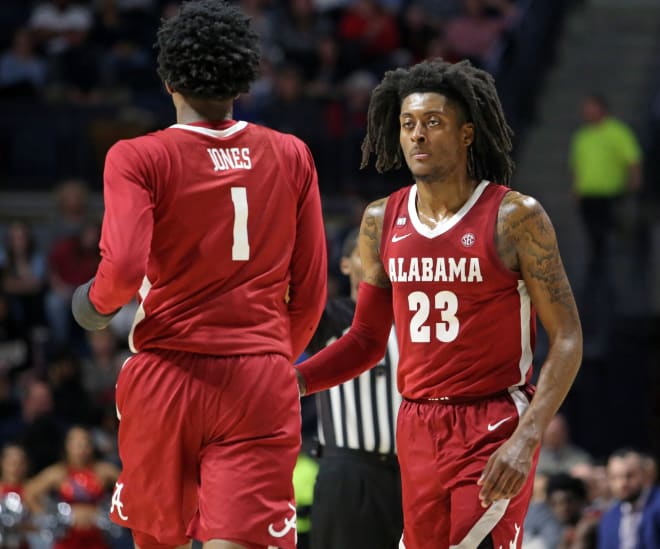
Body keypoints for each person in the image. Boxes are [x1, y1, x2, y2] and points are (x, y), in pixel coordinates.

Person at [296, 58, 583, 549]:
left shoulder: (515, 217)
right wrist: (292, 381)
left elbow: (568, 337)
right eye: (408, 125)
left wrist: (528, 437)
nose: (417, 136)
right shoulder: (380, 219)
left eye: (433, 122)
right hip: (415, 423)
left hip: (492, 420)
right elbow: (365, 340)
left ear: (467, 133)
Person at [70, 1, 327, 548]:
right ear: (245, 75)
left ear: (166, 78)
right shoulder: (291, 154)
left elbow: (121, 270)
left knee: (159, 541)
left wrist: (90, 306)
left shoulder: (137, 157)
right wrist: (272, 354)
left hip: (169, 375)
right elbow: (310, 290)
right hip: (257, 375)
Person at [306, 228, 403, 549]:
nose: (380, 261)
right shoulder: (331, 318)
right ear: (346, 265)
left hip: (410, 472)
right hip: (349, 473)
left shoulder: (412, 317)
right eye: (369, 253)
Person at [569, 93, 642, 280]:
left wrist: (634, 182)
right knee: (592, 230)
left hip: (611, 192)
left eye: (591, 107)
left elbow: (632, 159)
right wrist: (576, 188)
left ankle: (616, 264)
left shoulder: (617, 131)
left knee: (610, 229)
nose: (586, 111)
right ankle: (598, 265)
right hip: (588, 193)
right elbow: (577, 165)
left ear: (602, 109)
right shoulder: (582, 136)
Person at [23, 425, 121, 549]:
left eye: (85, 443)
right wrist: (51, 517)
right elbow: (29, 493)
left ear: (91, 446)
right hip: (67, 538)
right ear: (67, 446)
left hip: (98, 538)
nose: (81, 449)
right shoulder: (58, 472)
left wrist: (111, 514)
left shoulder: (103, 471)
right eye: (76, 444)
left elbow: (129, 489)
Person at [597, 449, 660, 549]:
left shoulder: (657, 505)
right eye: (615, 477)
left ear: (644, 475)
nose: (622, 484)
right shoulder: (608, 519)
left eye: (629, 476)